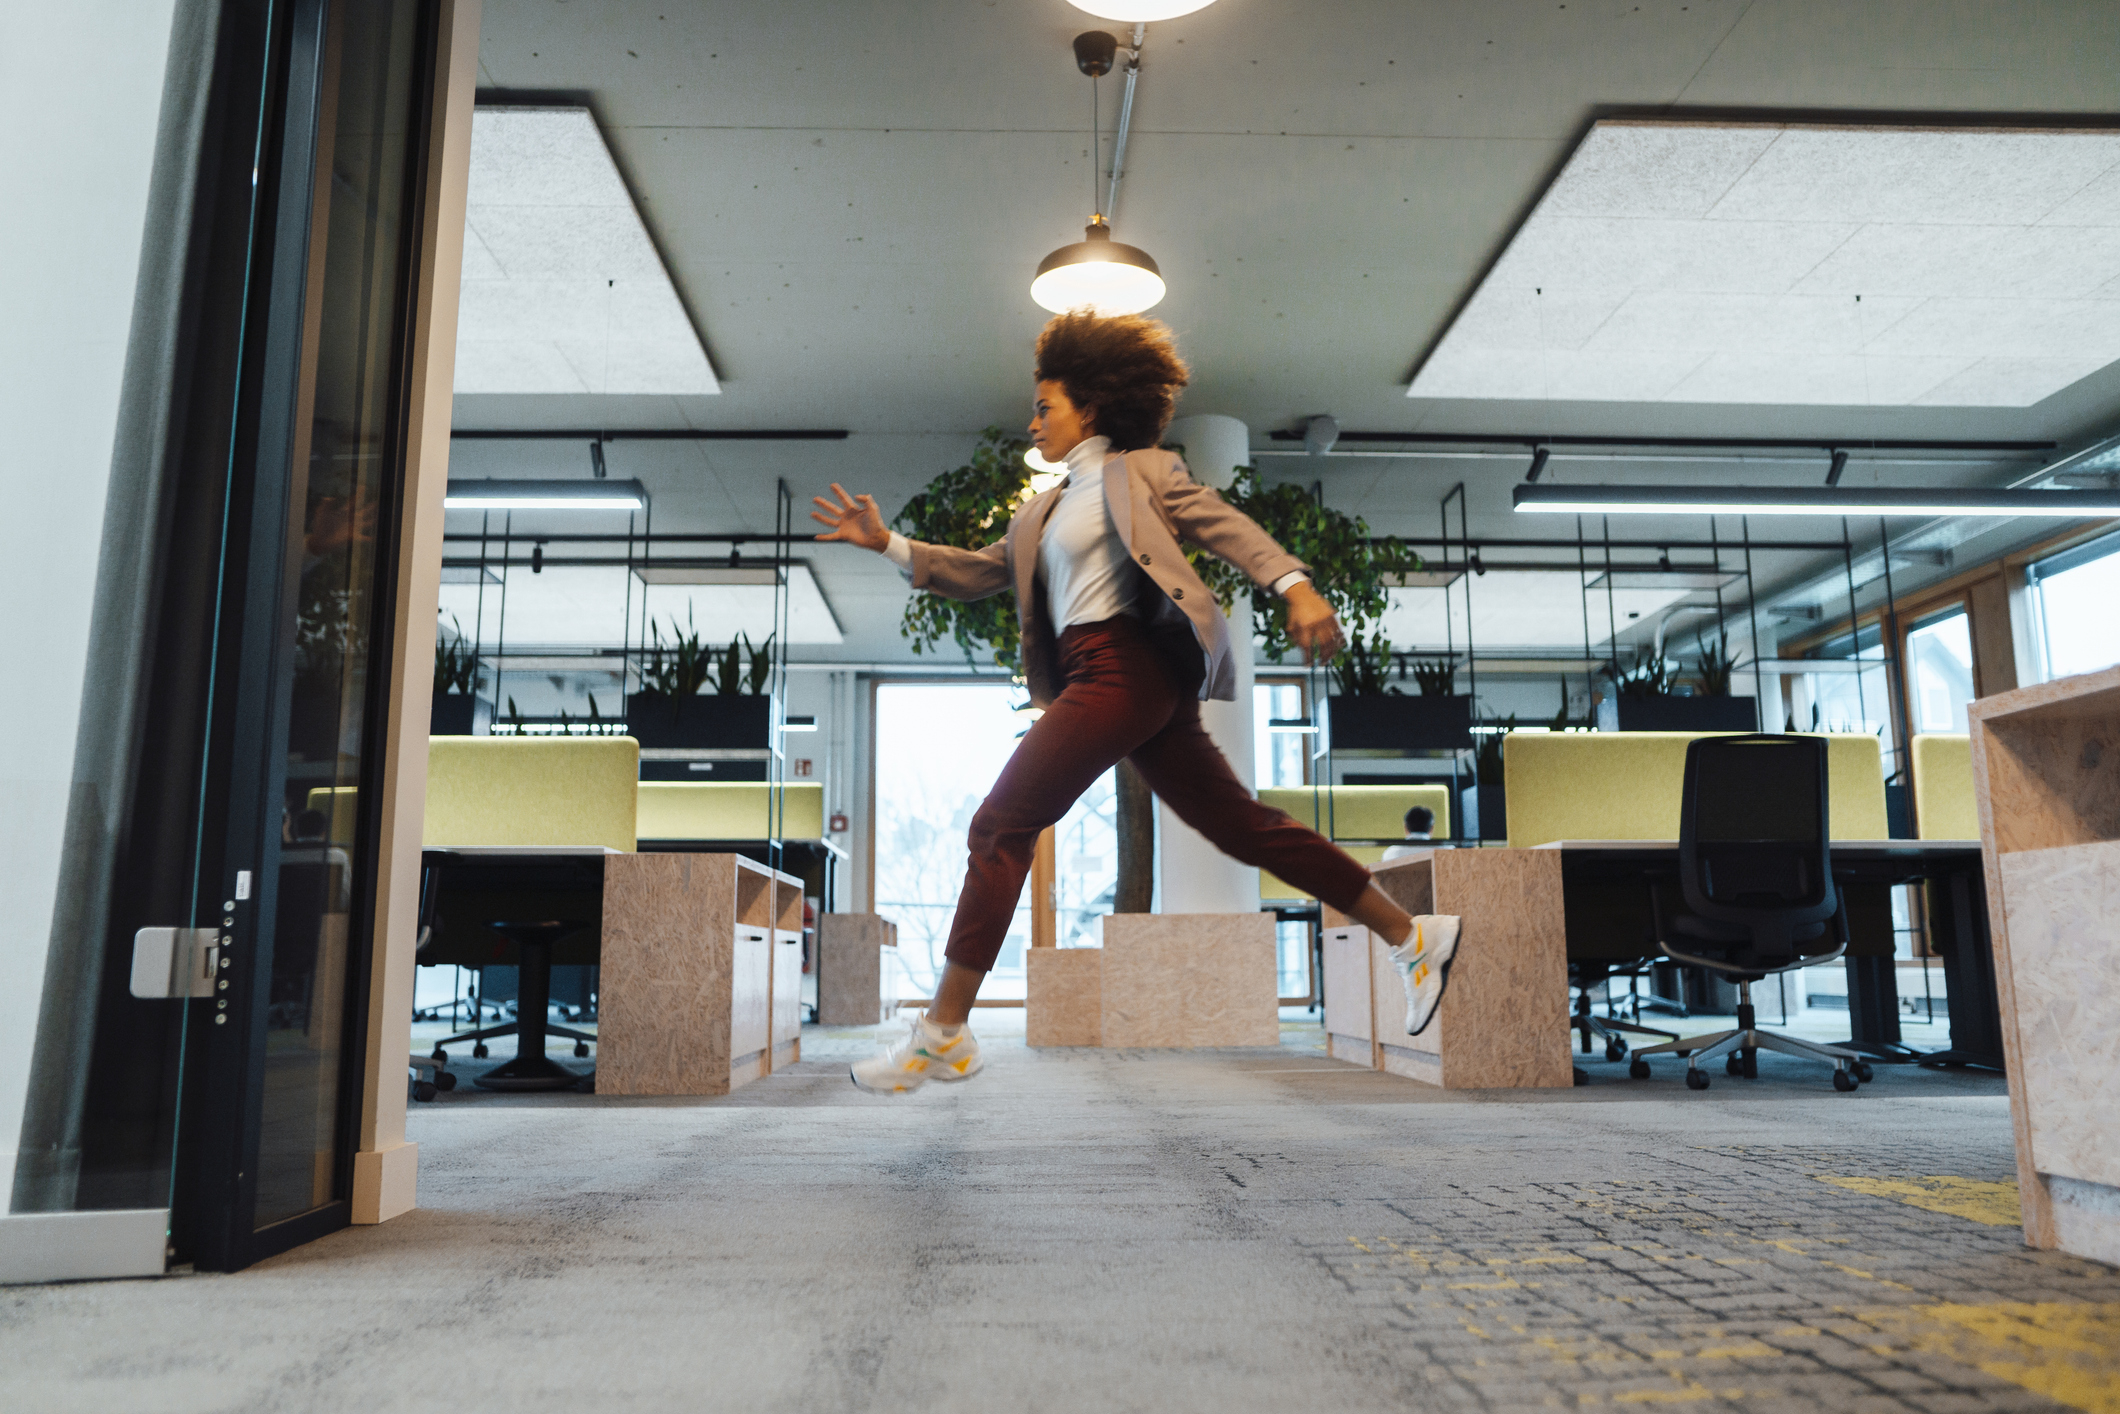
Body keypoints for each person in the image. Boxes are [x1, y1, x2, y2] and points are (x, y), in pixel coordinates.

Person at [813, 310, 1460, 1094]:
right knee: (1244, 827)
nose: (1033, 419)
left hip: (1128, 665)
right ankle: (1410, 934)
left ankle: (942, 1033)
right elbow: (981, 569)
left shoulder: (1145, 471)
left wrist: (1294, 584)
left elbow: (1223, 527)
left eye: (1044, 405)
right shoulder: (1040, 509)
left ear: (1089, 407)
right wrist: (888, 543)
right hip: (1103, 673)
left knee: (1000, 822)